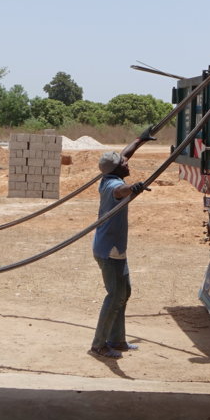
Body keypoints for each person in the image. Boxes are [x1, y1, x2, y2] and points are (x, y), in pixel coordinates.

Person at [88, 136, 151, 359]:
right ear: (116, 169)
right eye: (123, 164)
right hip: (109, 251)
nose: (127, 163)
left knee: (125, 293)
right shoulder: (114, 185)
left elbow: (125, 155)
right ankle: (98, 345)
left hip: (114, 248)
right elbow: (121, 190)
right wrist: (133, 188)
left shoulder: (109, 175)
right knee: (115, 295)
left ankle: (117, 340)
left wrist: (140, 139)